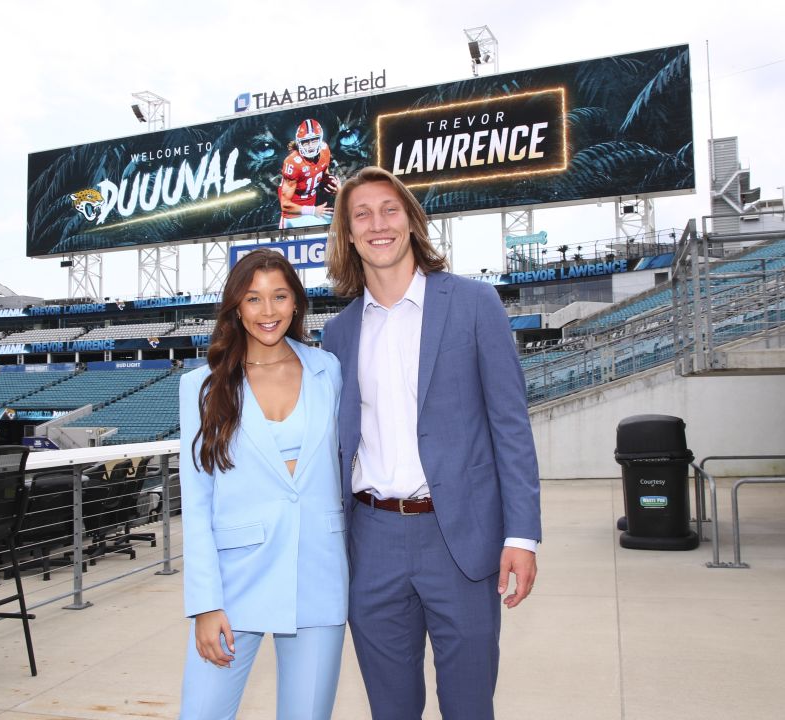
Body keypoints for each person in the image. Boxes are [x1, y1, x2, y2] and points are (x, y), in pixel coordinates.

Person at [322, 166, 542, 719]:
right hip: (371, 542)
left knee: (469, 707)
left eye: (390, 210)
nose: (378, 225)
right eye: (362, 215)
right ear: (348, 235)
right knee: (391, 710)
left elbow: (510, 425)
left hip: (460, 541)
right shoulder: (339, 333)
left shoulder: (474, 303)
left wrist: (522, 535)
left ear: (412, 222)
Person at [178, 249, 347, 719]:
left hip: (318, 575)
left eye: (279, 296)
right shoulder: (202, 387)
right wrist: (205, 605)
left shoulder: (326, 370)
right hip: (233, 586)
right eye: (253, 299)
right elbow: (197, 503)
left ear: (296, 303)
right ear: (236, 306)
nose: (267, 311)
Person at [278, 118, 340, 230]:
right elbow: (285, 205)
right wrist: (313, 211)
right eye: (305, 142)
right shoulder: (293, 163)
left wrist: (330, 183)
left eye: (314, 140)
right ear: (299, 142)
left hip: (313, 210)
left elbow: (323, 172)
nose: (310, 146)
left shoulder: (324, 149)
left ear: (320, 139)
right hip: (293, 217)